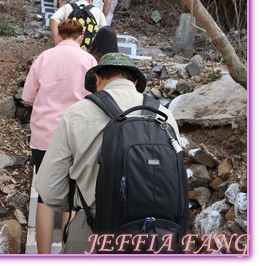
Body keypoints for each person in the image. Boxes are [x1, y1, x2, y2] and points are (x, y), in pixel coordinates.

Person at [35, 53, 181, 254]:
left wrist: (79, 202)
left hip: (93, 231)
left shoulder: (76, 114)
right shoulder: (165, 116)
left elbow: (50, 191)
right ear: (135, 81)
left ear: (97, 79)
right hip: (156, 237)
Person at [22, 19, 97, 254]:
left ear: (59, 35)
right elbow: (96, 98)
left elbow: (28, 96)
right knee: (72, 197)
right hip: (77, 134)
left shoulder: (44, 57)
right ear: (80, 36)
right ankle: (67, 251)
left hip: (44, 134)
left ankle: (43, 255)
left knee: (45, 196)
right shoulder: (88, 60)